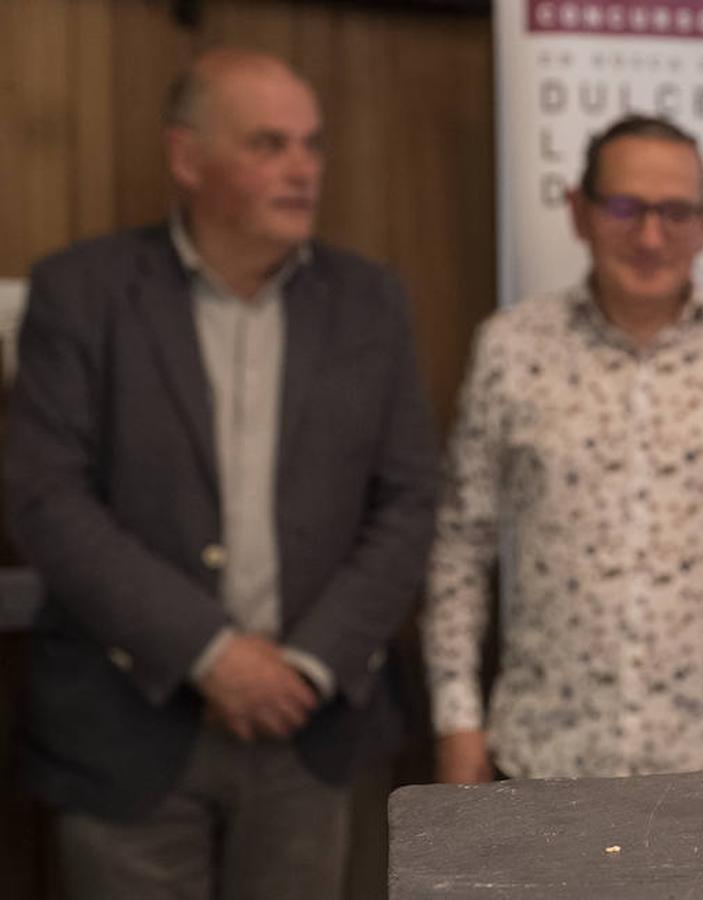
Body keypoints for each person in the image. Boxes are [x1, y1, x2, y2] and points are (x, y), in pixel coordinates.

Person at [5, 49, 438, 898]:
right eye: (269, 145)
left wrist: (308, 665)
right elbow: (45, 499)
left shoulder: (369, 301)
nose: (301, 170)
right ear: (186, 158)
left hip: (310, 728)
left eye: (312, 146)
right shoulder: (82, 292)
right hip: (125, 732)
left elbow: (410, 501)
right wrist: (209, 654)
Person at [424, 114, 703, 781]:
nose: (651, 237)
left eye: (676, 212)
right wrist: (457, 721)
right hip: (546, 761)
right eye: (626, 208)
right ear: (579, 212)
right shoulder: (511, 349)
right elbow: (461, 547)